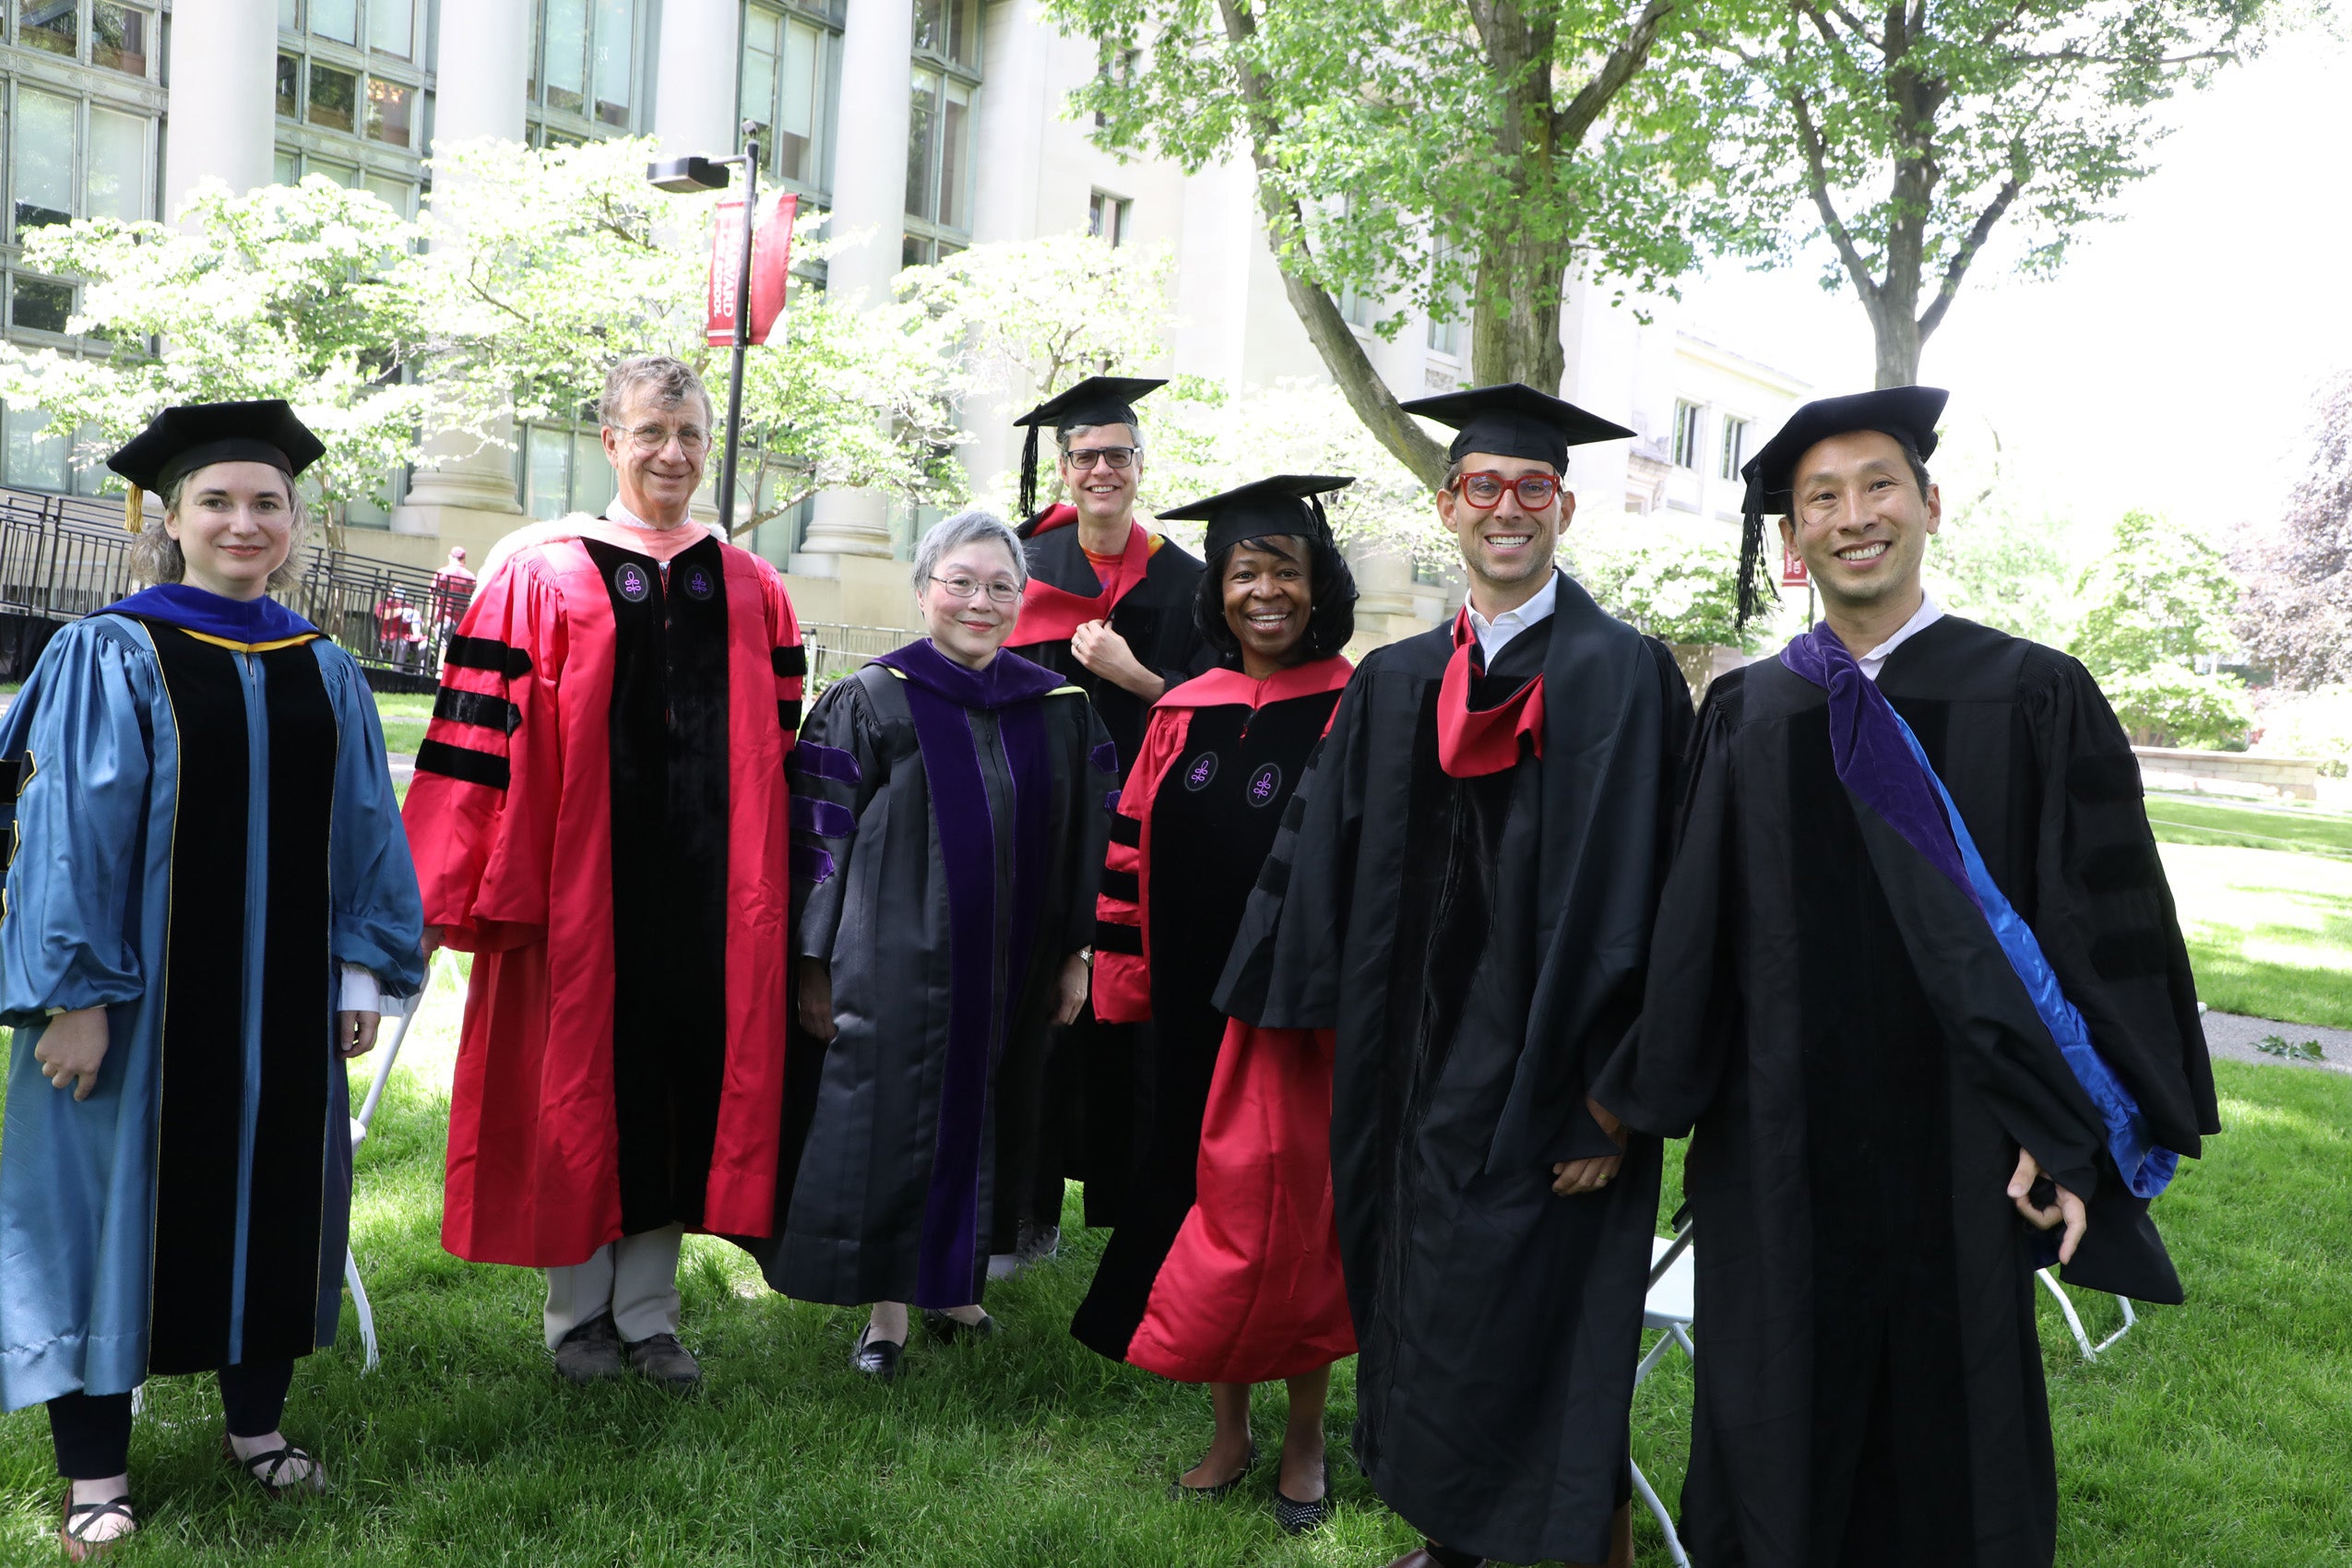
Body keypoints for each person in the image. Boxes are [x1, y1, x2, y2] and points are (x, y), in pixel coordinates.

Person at [1591, 386, 2220, 1568]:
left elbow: (2101, 933)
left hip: (1967, 1149)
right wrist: (1630, 1094)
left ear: (1929, 504)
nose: (1852, 515)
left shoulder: (2032, 693)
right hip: (1777, 1143)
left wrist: (2069, 1129)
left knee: (1957, 1442)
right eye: (1819, 498)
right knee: (1773, 1426)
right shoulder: (1747, 710)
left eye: (1878, 484)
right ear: (1791, 541)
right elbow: (1692, 939)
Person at [1214, 384, 1693, 1568]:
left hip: (1555, 1078)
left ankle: (1585, 1544)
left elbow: (1671, 901)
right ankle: (1456, 1534)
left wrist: (1614, 1093)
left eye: (1533, 488)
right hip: (1406, 1072)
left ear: (1566, 507)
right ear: (1448, 507)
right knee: (1426, 1302)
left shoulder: (1625, 677)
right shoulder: (1396, 680)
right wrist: (1301, 1021)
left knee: (1551, 1312)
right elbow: (1326, 865)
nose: (1508, 508)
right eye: (1484, 487)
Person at [0, 399, 424, 1558]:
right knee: (103, 1217)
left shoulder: (323, 666)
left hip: (282, 1001)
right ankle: (95, 1468)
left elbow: (362, 828)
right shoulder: (113, 648)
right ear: (171, 517)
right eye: (218, 501)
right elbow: (67, 832)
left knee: (275, 1196)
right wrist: (73, 995)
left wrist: (359, 967)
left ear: (295, 520)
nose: (244, 521)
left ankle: (256, 1427)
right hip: (135, 1009)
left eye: (266, 502)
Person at [402, 354, 804, 1392]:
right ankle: (578, 1313)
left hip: (716, 898)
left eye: (690, 436)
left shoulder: (753, 585)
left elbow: (785, 741)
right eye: (650, 433)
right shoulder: (544, 569)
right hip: (583, 893)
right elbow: (478, 739)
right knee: (576, 1091)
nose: (672, 454)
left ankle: (651, 1312)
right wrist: (441, 887)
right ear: (610, 441)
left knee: (680, 1089)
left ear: (709, 447)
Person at [749, 510, 1114, 1379]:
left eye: (999, 586)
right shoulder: (873, 698)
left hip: (1015, 966)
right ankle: (886, 1314)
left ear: (1021, 601)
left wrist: (1075, 952)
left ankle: (956, 1289)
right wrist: (812, 963)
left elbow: (1084, 840)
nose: (979, 602)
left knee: (992, 1111)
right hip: (890, 965)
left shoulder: (1055, 708)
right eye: (960, 582)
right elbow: (816, 842)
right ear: (924, 591)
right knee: (892, 1124)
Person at [1071, 476, 1361, 1535]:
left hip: (1299, 1019)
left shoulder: (1353, 705)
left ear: (1319, 584)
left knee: (1297, 1224)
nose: (1264, 590)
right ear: (1221, 590)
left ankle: (1307, 1436)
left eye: (1285, 569)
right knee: (1210, 1217)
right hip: (1192, 1016)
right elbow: (1130, 851)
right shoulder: (1181, 711)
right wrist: (1125, 986)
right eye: (1244, 571)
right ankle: (1230, 1426)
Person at [997, 375, 1211, 1265]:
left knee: (1128, 1009)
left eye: (1117, 456)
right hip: (1035, 822)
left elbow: (1216, 708)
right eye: (1085, 457)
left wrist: (1134, 676)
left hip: (1144, 829)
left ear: (1137, 465)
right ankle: (1023, 1209)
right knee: (1036, 1002)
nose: (1101, 471)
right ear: (1063, 468)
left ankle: (1133, 1204)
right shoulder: (1016, 567)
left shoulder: (1188, 582)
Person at [431, 544, 477, 642]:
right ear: (463, 559)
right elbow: (475, 599)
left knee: (442, 649)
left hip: (445, 618)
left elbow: (433, 595)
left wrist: (431, 618)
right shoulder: (471, 577)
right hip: (462, 621)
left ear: (450, 557)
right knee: (456, 653)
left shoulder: (443, 572)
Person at [374, 585, 423, 669]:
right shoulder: (383, 604)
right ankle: (396, 672)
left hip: (408, 637)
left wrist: (416, 619)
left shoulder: (409, 607)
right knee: (401, 643)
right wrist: (399, 611)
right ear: (390, 593)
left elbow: (420, 622)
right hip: (389, 637)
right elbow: (383, 615)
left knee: (425, 645)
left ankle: (422, 674)